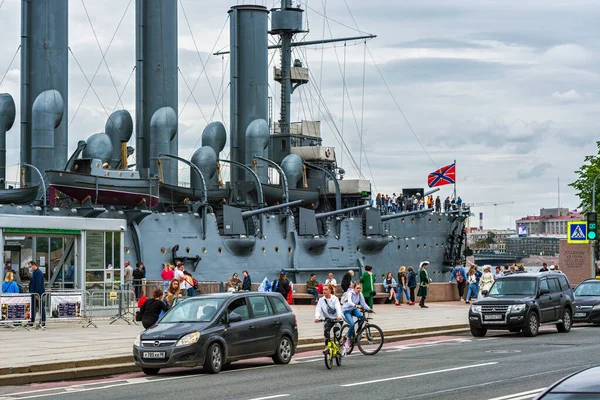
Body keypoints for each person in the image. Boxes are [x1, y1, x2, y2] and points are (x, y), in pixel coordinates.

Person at [342, 283, 371, 351]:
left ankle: (359, 333)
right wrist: (356, 305)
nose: (359, 289)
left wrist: (369, 309)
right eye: (357, 288)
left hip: (354, 309)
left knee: (361, 317)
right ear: (354, 289)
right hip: (347, 311)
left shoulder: (360, 294)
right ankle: (348, 339)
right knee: (352, 324)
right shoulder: (350, 293)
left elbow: (363, 303)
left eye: (360, 288)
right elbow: (349, 302)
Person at [314, 283, 343, 351]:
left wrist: (339, 316)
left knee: (336, 331)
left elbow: (338, 308)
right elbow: (318, 309)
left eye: (326, 289)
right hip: (328, 319)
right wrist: (317, 317)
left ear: (330, 290)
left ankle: (341, 343)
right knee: (326, 331)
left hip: (337, 319)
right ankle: (328, 346)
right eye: (323, 290)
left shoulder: (334, 299)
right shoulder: (321, 300)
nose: (324, 291)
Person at [28, 261, 45, 328]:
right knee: (33, 308)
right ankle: (32, 321)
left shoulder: (38, 273)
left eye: (30, 266)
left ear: (33, 265)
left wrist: (37, 294)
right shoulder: (35, 272)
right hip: (34, 293)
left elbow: (38, 284)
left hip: (37, 294)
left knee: (40, 307)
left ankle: (43, 322)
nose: (30, 268)